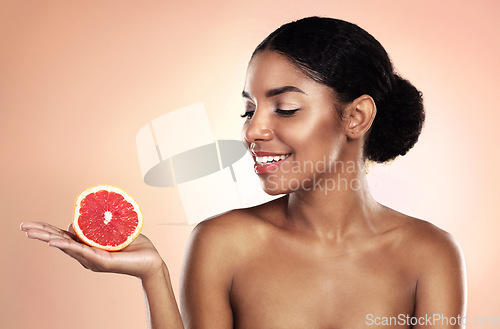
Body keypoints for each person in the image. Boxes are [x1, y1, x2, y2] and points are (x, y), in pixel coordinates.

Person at [20, 17, 466, 328]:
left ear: (356, 117)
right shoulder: (224, 242)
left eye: (285, 108)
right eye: (248, 109)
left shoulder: (429, 254)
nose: (253, 130)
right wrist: (152, 275)